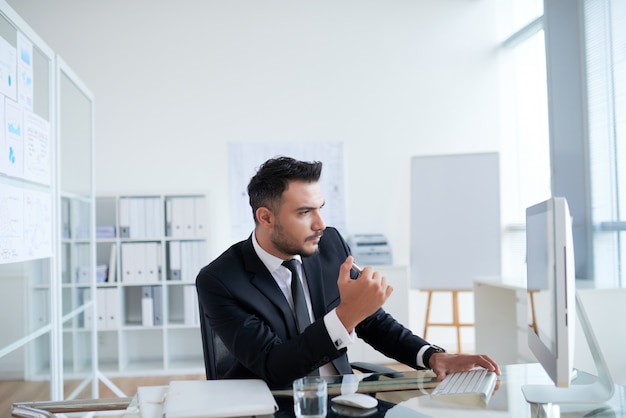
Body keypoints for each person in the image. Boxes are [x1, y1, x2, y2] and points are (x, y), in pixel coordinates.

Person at [196, 156, 500, 388]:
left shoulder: (328, 244)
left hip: (342, 397)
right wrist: (345, 316)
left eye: (320, 208)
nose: (320, 224)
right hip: (276, 403)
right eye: (304, 212)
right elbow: (273, 364)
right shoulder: (220, 280)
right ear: (266, 217)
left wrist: (430, 355)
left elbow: (373, 321)